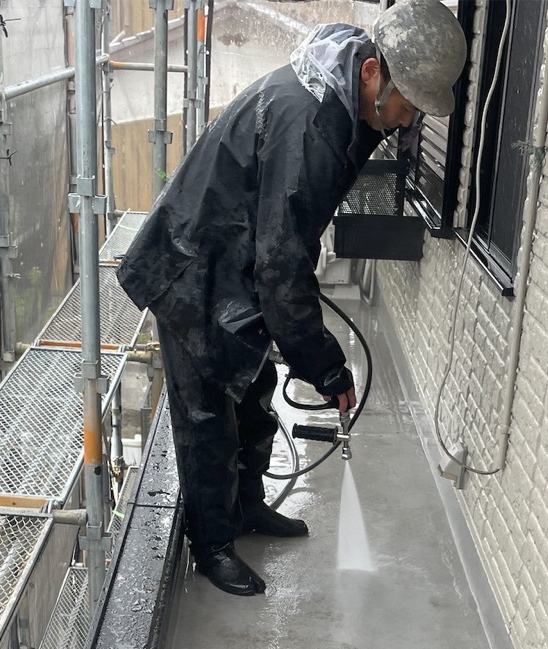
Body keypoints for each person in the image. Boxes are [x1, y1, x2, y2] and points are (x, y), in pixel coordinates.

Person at [116, 0, 468, 595]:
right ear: (371, 73)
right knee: (207, 416)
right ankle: (212, 546)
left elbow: (282, 246)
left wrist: (308, 350)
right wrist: (324, 366)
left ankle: (247, 507)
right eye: (407, 105)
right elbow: (282, 268)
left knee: (254, 388)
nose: (408, 121)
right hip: (191, 268)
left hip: (233, 260)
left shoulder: (341, 101)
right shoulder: (309, 125)